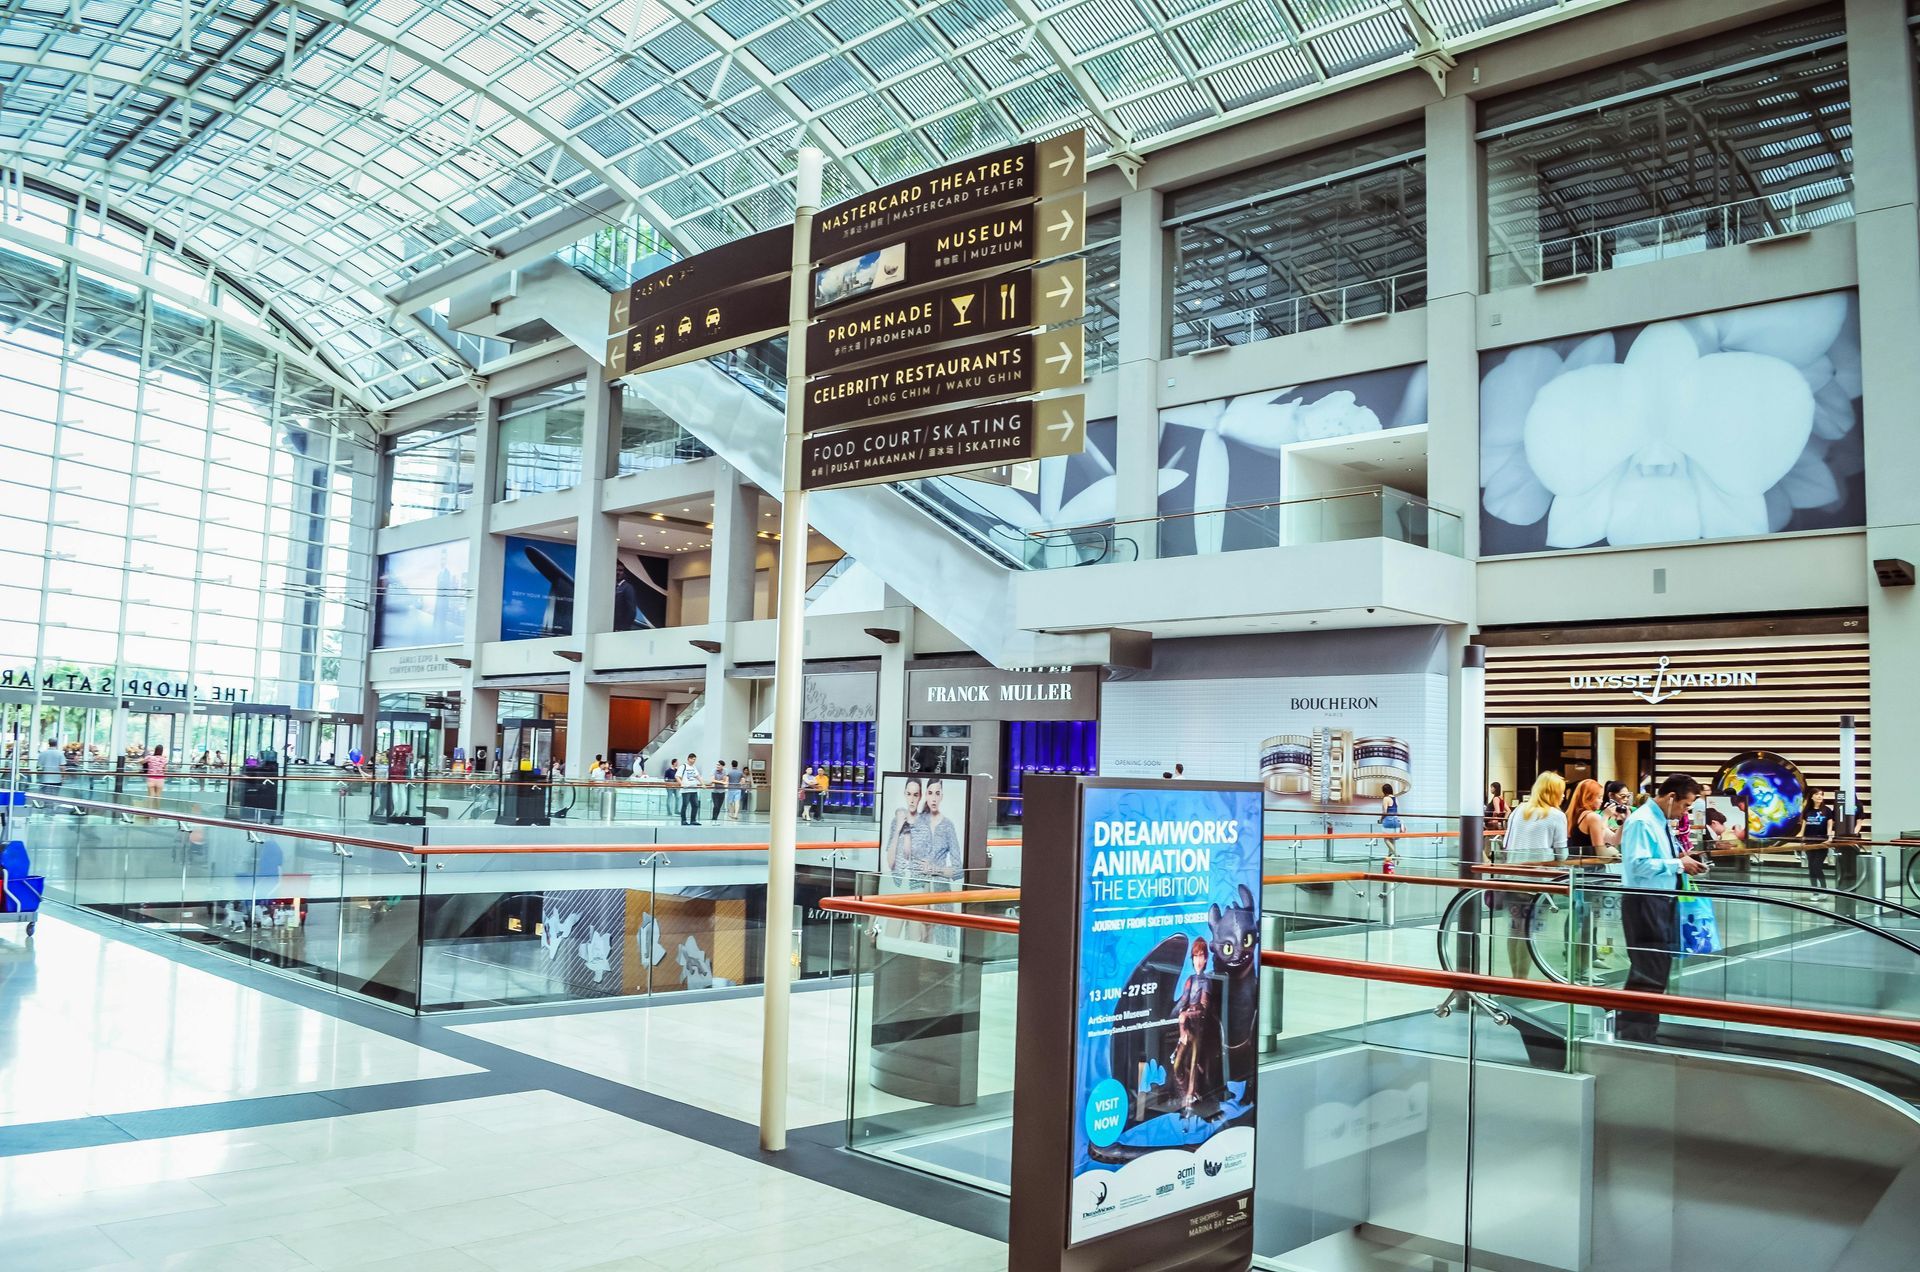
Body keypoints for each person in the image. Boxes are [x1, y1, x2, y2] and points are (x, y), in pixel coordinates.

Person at [1617, 774, 1709, 1043]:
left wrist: (1682, 860)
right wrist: (1679, 865)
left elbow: (1658, 857)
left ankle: (1639, 1029)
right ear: (1671, 798)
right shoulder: (1642, 821)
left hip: (1660, 899)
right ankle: (1635, 1032)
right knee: (1649, 966)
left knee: (1655, 967)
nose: (1685, 812)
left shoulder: (1659, 821)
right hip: (1644, 900)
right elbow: (1638, 865)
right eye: (1685, 805)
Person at [1498, 771, 1568, 978]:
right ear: (1553, 792)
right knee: (1530, 932)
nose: (1564, 796)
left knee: (1515, 931)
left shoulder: (1519, 810)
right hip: (1538, 883)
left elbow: (1506, 845)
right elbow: (1562, 854)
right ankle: (1524, 980)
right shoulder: (1556, 816)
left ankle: (1516, 977)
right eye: (1561, 792)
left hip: (1514, 880)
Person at [1170, 936, 1221, 1111]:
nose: (1197, 960)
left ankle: (1191, 1097)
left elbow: (1204, 1008)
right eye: (1195, 956)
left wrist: (1186, 1015)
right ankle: (1188, 1094)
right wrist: (1170, 1015)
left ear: (1206, 958)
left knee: (1193, 1065)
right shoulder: (1190, 980)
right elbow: (1182, 1002)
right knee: (1177, 1066)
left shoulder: (1206, 981)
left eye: (1200, 956)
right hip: (1186, 1030)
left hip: (1199, 1028)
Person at [1566, 778, 1620, 860]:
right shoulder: (1592, 817)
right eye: (1599, 797)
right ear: (1588, 798)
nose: (1601, 801)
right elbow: (1601, 853)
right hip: (1592, 869)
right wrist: (1612, 851)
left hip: (1576, 866)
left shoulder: (1572, 815)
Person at [1803, 787, 1835, 889]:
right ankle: (1814, 891)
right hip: (1809, 843)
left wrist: (1829, 838)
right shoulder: (1807, 811)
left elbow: (1830, 826)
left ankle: (1824, 889)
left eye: (1821, 794)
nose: (1820, 796)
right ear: (1812, 797)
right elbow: (1803, 827)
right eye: (1817, 794)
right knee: (1811, 868)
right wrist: (1802, 840)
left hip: (1822, 843)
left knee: (1817, 866)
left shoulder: (1827, 810)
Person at [678, 753, 703, 826]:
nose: (693, 761)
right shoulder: (683, 766)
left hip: (693, 789)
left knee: (695, 805)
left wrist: (702, 783)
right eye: (692, 759)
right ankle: (683, 820)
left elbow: (697, 776)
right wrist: (681, 784)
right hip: (686, 789)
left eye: (695, 759)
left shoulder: (694, 767)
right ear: (689, 758)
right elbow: (677, 776)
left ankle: (693, 820)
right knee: (685, 805)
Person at [143, 744, 168, 812]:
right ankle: (157, 812)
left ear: (155, 750)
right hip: (160, 778)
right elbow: (165, 770)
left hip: (151, 778)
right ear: (162, 751)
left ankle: (150, 812)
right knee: (158, 796)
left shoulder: (150, 757)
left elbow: (141, 762)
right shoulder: (164, 759)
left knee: (151, 796)